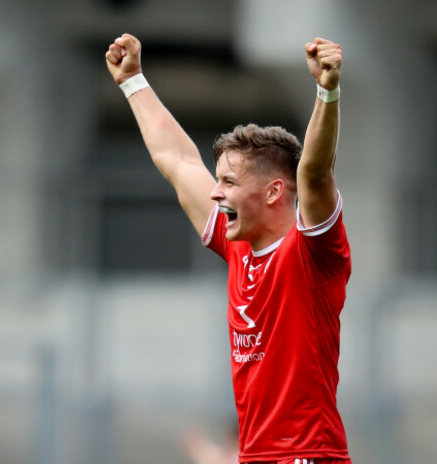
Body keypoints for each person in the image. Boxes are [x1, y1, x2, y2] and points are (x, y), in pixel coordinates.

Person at [105, 33, 352, 464]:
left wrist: (325, 91)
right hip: (254, 456)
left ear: (275, 191)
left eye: (230, 183)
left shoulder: (312, 253)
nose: (215, 194)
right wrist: (133, 82)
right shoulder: (237, 246)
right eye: (218, 180)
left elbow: (314, 172)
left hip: (308, 456)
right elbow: (178, 161)